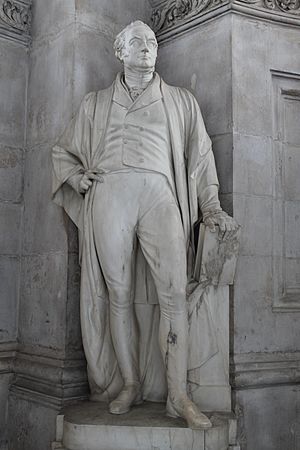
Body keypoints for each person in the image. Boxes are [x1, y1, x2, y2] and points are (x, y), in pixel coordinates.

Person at [52, 20, 238, 429]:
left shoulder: (180, 101)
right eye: (138, 42)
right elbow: (62, 151)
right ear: (120, 51)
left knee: (172, 293)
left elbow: (201, 156)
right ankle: (130, 383)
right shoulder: (96, 103)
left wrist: (210, 206)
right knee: (118, 295)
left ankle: (178, 394)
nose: (147, 47)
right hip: (110, 194)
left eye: (152, 41)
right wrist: (76, 177)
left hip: (159, 194)